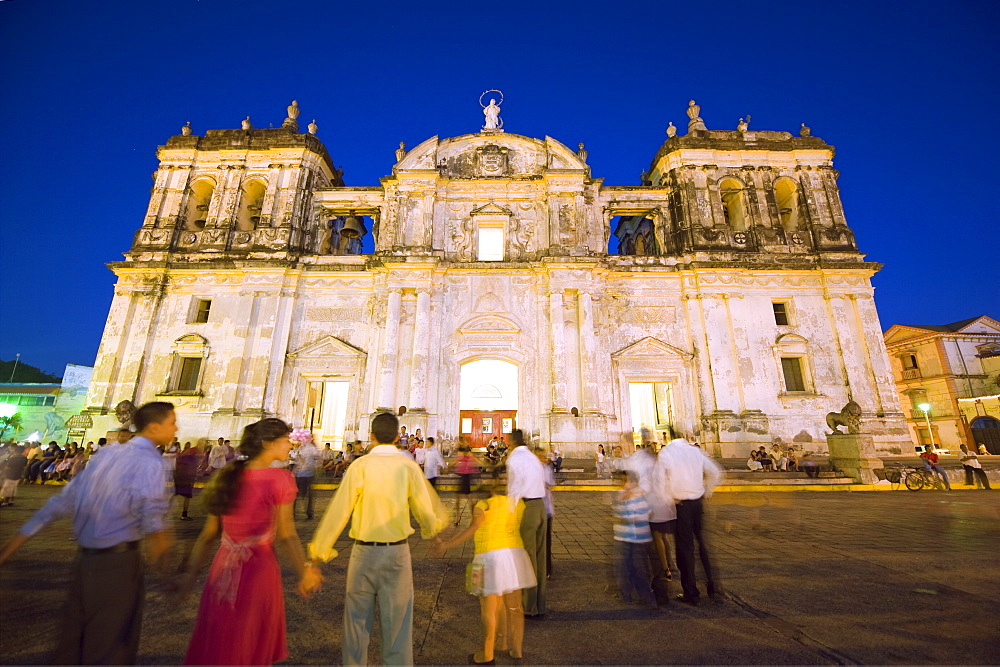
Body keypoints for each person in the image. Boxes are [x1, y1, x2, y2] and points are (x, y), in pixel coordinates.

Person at [0, 401, 175, 664]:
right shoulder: (151, 462)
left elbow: (60, 502)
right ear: (153, 427)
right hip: (118, 563)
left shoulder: (106, 455)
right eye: (172, 423)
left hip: (85, 561)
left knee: (73, 640)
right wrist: (167, 570)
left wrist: (12, 546)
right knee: (111, 643)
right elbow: (153, 519)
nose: (176, 429)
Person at [308, 411, 448, 666]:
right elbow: (425, 508)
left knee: (356, 623)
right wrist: (433, 533)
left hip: (363, 553)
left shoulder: (360, 466)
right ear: (397, 437)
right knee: (398, 625)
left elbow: (339, 510)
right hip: (396, 553)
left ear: (370, 436)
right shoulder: (407, 466)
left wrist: (318, 552)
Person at [180, 418, 322, 666]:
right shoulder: (280, 479)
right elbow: (287, 535)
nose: (290, 445)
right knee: (249, 642)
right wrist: (304, 571)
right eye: (285, 440)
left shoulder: (228, 475)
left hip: (221, 570)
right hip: (258, 571)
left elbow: (208, 535)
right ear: (268, 444)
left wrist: (191, 575)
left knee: (221, 641)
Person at [433, 474, 535, 664]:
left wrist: (447, 545)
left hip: (486, 557)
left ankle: (487, 654)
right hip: (514, 556)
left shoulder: (484, 505)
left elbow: (472, 528)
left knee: (488, 609)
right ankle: (513, 648)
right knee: (513, 606)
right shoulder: (518, 503)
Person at [659, 437, 723, 606]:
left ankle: (691, 592)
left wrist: (668, 499)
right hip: (697, 503)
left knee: (685, 548)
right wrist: (707, 491)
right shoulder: (695, 451)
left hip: (681, 505)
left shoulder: (667, 452)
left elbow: (659, 480)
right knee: (702, 544)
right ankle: (713, 586)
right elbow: (716, 472)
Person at [505, 429, 548, 617]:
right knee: (539, 557)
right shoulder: (532, 457)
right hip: (540, 507)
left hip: (526, 508)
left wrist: (509, 515)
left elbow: (513, 489)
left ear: (511, 442)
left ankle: (528, 606)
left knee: (526, 557)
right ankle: (540, 604)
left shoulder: (514, 459)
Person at [612, 471, 656, 607]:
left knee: (635, 568)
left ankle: (645, 597)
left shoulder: (637, 496)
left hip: (633, 538)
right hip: (628, 537)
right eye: (623, 482)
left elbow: (646, 514)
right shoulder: (624, 495)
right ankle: (629, 595)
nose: (625, 485)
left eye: (628, 481)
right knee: (627, 568)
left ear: (635, 483)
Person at [293, 436, 319, 520]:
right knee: (299, 494)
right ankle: (295, 512)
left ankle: (309, 512)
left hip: (307, 474)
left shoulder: (310, 448)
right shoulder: (301, 448)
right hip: (301, 474)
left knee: (306, 495)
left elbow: (316, 458)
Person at [454, 441, 479, 525]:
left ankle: (471, 517)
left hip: (466, 477)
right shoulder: (461, 455)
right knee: (460, 499)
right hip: (462, 477)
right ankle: (458, 517)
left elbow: (476, 461)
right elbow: (455, 462)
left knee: (469, 499)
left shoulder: (468, 455)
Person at [175, 442, 200, 520]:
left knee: (175, 495)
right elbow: (192, 470)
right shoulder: (191, 459)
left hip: (179, 478)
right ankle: (184, 514)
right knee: (186, 496)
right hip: (186, 479)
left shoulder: (182, 456)